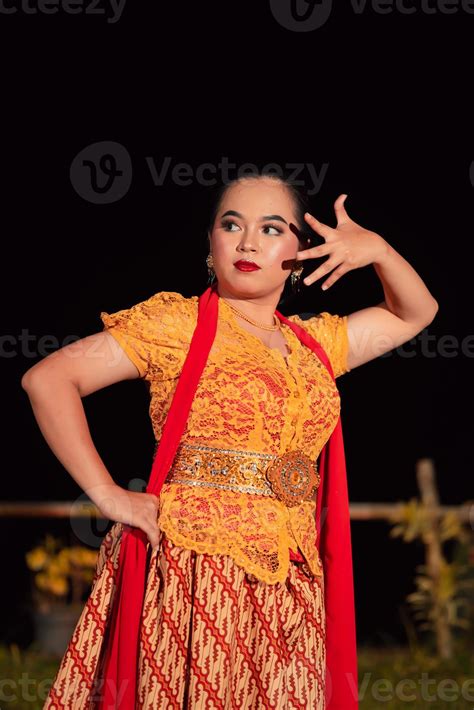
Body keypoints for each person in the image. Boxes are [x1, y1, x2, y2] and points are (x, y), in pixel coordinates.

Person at [21, 170, 439, 709]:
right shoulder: (179, 324)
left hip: (292, 578)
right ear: (211, 241)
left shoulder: (317, 343)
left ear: (301, 249)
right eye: (232, 224)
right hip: (198, 571)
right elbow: (49, 380)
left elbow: (416, 312)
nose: (247, 242)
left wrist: (378, 250)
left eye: (271, 229)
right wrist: (106, 494)